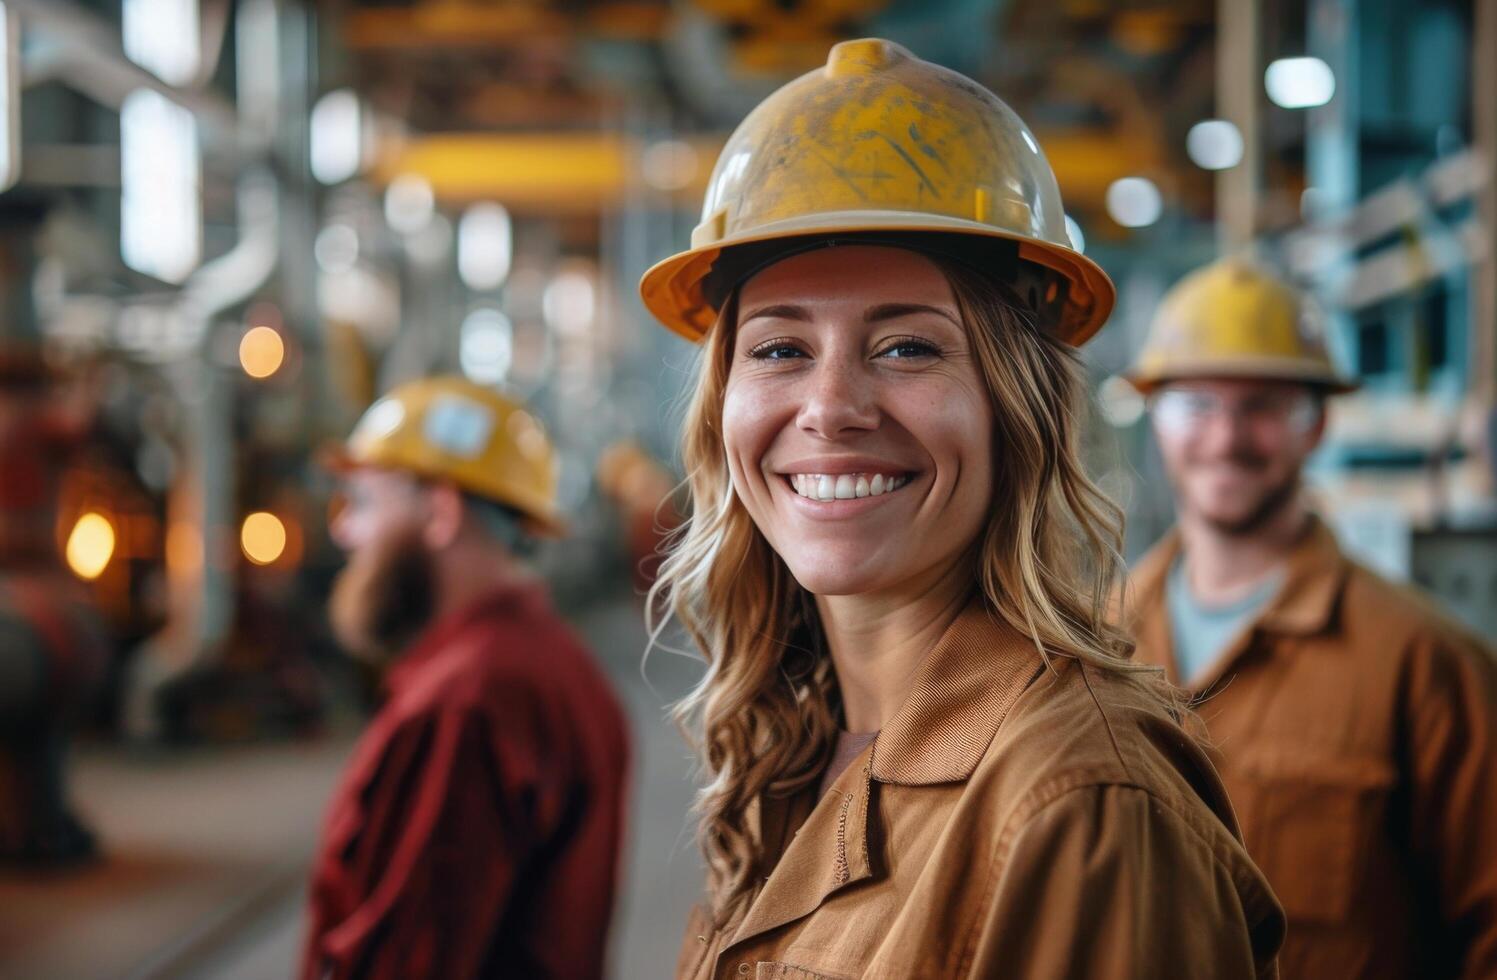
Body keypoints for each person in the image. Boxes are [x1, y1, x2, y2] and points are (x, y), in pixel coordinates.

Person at [639, 39, 1285, 979]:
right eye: (779, 350)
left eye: (906, 348)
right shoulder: (791, 748)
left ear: (1013, 407)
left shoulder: (1082, 804)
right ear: (720, 407)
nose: (829, 408)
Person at [1124, 258, 1497, 979]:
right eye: (1196, 405)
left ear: (1315, 424)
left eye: (1261, 407)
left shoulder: (1421, 662)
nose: (1226, 438)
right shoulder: (1091, 642)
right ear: (1156, 419)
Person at [302, 376, 630, 980]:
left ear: (440, 511)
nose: (345, 530)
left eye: (366, 502)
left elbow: (407, 961)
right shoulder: (555, 665)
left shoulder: (465, 700)